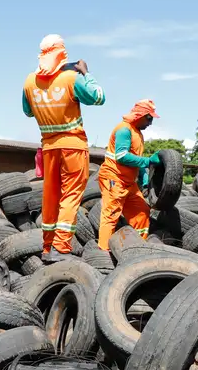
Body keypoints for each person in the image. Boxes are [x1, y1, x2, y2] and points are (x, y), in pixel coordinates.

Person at [22, 34, 105, 262]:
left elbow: (28, 111)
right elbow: (99, 97)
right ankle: (61, 246)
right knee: (70, 195)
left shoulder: (29, 81)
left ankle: (47, 246)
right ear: (62, 53)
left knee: (50, 196)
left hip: (48, 148)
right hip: (73, 147)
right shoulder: (71, 79)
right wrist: (86, 73)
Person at [98, 99, 161, 250]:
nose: (151, 123)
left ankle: (137, 248)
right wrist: (148, 161)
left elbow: (135, 160)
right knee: (111, 216)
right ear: (140, 115)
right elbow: (122, 156)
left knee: (142, 211)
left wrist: (144, 179)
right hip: (114, 178)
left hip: (129, 182)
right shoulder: (124, 130)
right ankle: (103, 255)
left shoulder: (138, 133)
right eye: (149, 118)